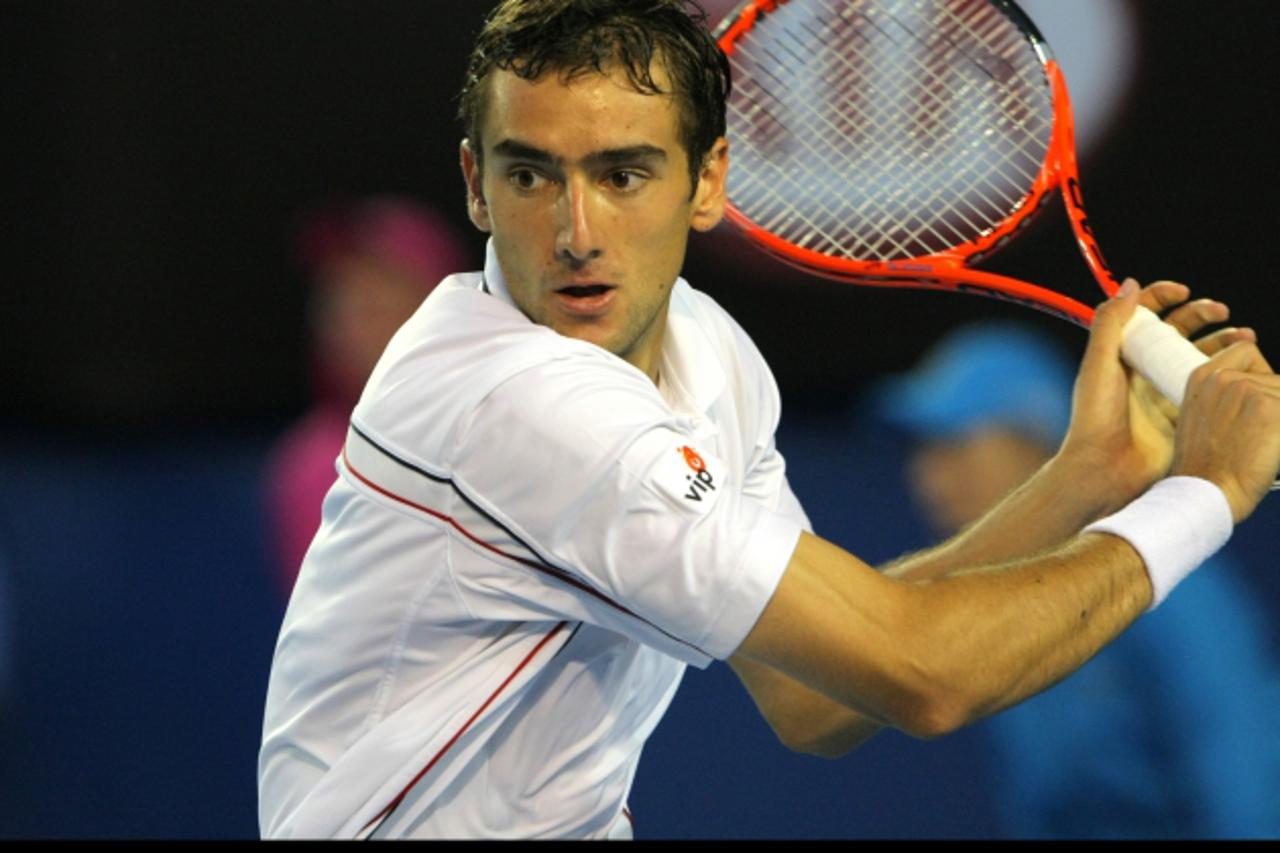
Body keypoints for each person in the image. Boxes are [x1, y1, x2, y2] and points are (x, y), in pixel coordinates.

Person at [257, 0, 1280, 839]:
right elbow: (920, 673)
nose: (575, 232)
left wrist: (1084, 480)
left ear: (707, 181)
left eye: (622, 174)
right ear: (476, 186)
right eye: (531, 175)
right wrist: (1203, 493)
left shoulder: (705, 350)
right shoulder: (516, 403)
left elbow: (816, 698)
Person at [876, 322, 1280, 838]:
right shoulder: (996, 605)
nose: (929, 476)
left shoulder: (1167, 581)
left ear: (1041, 441)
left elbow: (1245, 787)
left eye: (956, 442)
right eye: (922, 449)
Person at [262, 198, 469, 595]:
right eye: (339, 297)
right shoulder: (311, 468)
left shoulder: (517, 426)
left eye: (377, 296)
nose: (350, 319)